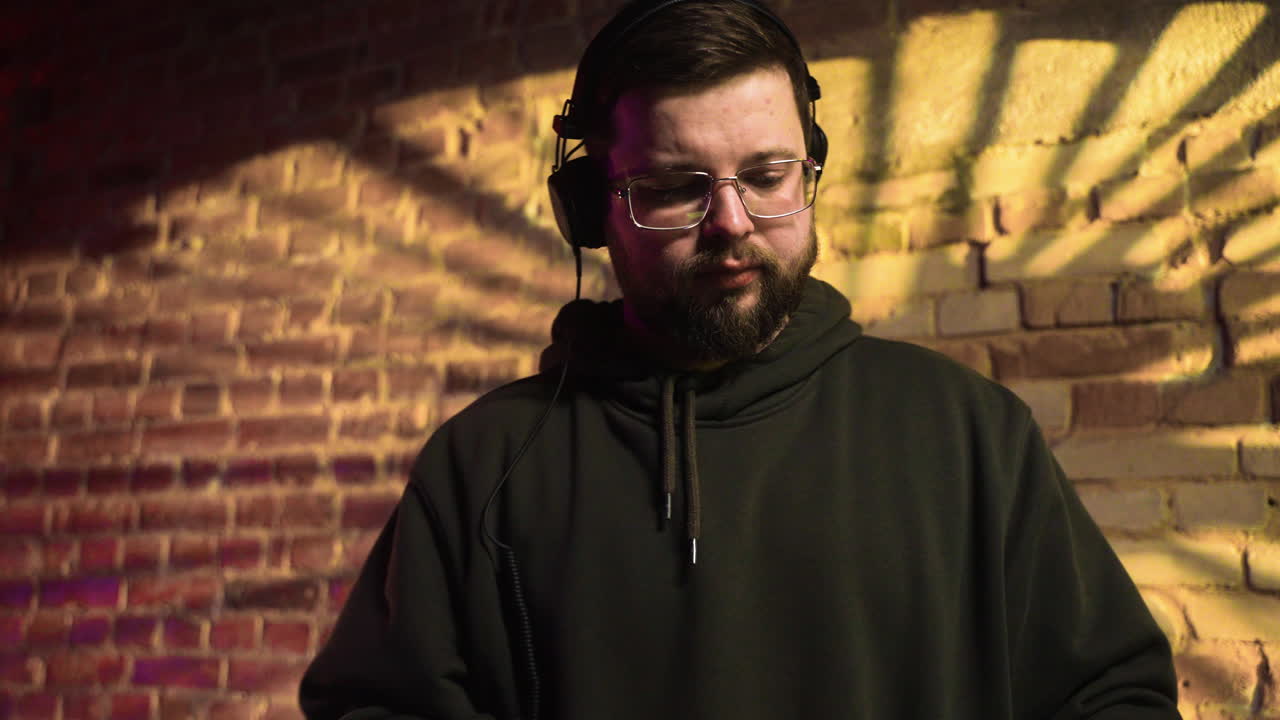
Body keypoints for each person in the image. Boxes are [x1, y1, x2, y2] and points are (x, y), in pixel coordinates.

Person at [298, 1, 1183, 718]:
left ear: (810, 176)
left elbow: (1110, 695)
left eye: (767, 175)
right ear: (588, 211)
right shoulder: (482, 464)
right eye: (678, 187)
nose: (731, 223)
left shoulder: (969, 431)